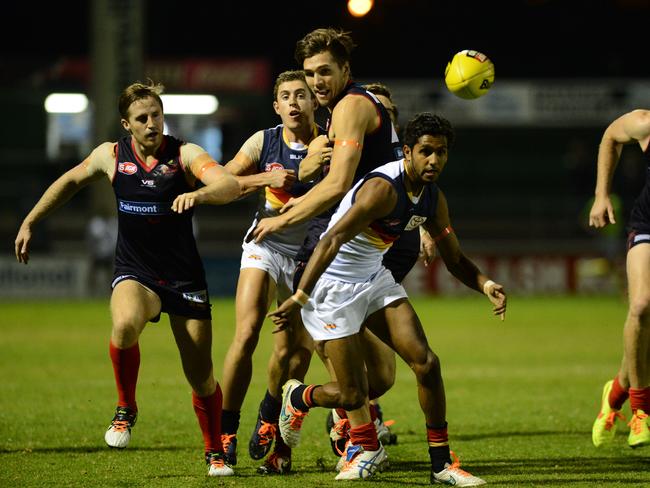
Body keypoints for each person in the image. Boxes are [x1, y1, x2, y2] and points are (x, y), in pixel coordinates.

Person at [14, 80, 293, 477]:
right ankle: (126, 406)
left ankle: (214, 451)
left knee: (201, 377)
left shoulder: (185, 154)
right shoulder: (110, 156)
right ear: (126, 125)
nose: (151, 124)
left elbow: (226, 184)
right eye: (142, 118)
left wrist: (213, 190)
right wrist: (30, 220)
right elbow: (70, 182)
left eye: (156, 115)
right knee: (125, 323)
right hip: (136, 273)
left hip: (184, 279)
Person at [268, 112, 506, 484]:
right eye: (426, 151)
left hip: (373, 278)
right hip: (329, 284)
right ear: (407, 152)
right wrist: (300, 295)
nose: (434, 160)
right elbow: (330, 239)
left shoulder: (432, 198)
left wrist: (485, 284)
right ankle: (300, 398)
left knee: (426, 363)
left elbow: (454, 258)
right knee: (352, 394)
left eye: (441, 153)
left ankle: (441, 464)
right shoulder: (383, 189)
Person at [248, 27, 435, 448]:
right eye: (311, 73)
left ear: (345, 69)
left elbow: (339, 185)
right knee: (347, 378)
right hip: (330, 254)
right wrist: (285, 214)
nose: (316, 81)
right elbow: (338, 187)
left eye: (325, 71)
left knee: (380, 378)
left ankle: (304, 402)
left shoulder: (350, 108)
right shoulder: (342, 111)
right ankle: (355, 442)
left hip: (358, 253)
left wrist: (282, 217)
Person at [207, 70, 329, 475]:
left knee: (294, 353)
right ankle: (224, 435)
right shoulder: (264, 140)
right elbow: (223, 181)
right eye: (286, 96)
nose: (294, 102)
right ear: (276, 106)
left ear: (314, 102)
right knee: (245, 334)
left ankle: (272, 415)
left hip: (310, 256)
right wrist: (265, 177)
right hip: (266, 245)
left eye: (302, 95)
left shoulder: (330, 143)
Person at [590, 108, 650, 449]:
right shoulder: (645, 122)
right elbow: (611, 135)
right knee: (641, 305)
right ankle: (641, 411)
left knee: (647, 338)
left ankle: (613, 395)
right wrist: (602, 195)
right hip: (647, 226)